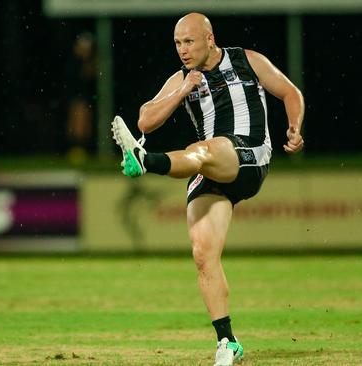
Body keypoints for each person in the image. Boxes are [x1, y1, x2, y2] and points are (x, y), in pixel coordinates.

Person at [111, 13, 304, 366]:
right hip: (210, 167)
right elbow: (144, 119)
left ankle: (145, 160)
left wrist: (294, 126)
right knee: (203, 253)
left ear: (209, 38)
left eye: (189, 42)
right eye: (178, 44)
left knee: (202, 150)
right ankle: (227, 341)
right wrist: (183, 89)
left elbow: (290, 91)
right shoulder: (182, 77)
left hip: (248, 156)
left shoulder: (248, 59)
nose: (183, 50)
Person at [64, 32, 98, 164]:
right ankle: (75, 149)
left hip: (85, 98)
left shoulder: (89, 61)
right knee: (76, 123)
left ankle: (82, 150)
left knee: (84, 124)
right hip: (76, 97)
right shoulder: (74, 63)